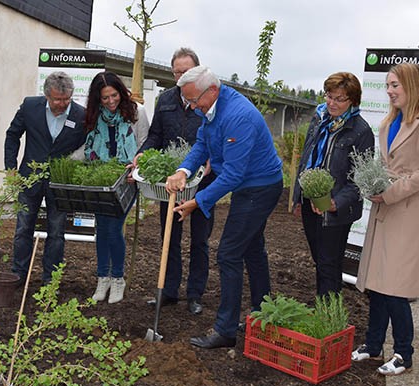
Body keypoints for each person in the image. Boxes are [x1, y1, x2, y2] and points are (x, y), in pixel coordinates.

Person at [165, 65, 283, 349]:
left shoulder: (238, 117)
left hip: (259, 187)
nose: (192, 108)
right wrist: (183, 170)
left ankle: (226, 330)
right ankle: (263, 314)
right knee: (253, 250)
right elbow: (202, 145)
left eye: (194, 101)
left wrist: (198, 202)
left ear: (213, 90)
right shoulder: (211, 109)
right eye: (188, 101)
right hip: (249, 185)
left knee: (229, 253)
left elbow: (232, 175)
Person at [352, 63, 419, 375]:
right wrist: (371, 185)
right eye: (388, 86)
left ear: (412, 86)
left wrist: (389, 192)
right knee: (378, 283)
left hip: (407, 211)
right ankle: (374, 344)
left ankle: (404, 354)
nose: (390, 91)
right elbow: (382, 165)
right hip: (384, 210)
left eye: (395, 86)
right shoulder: (387, 123)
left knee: (394, 285)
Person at [132, 48, 216, 315]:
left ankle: (194, 294)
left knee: (200, 239)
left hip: (202, 182)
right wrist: (143, 152)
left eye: (186, 71)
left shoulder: (206, 100)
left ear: (197, 72)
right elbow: (156, 134)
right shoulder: (166, 99)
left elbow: (216, 136)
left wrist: (213, 158)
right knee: (169, 235)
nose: (180, 76)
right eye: (177, 72)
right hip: (172, 181)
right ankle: (168, 291)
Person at [292, 72, 374, 295]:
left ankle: (327, 315)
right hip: (311, 203)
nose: (332, 103)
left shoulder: (361, 131)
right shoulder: (319, 118)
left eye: (340, 99)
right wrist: (298, 197)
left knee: (329, 263)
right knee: (320, 260)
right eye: (329, 96)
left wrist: (335, 203)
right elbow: (307, 158)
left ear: (352, 101)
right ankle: (326, 310)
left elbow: (360, 178)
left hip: (337, 210)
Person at [5, 71, 87, 285]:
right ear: (46, 96)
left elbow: (87, 146)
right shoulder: (30, 106)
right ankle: (18, 275)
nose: (62, 104)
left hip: (60, 182)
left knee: (57, 232)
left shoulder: (81, 115)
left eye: (66, 99)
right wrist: (11, 168)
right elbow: (13, 135)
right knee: (23, 229)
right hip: (29, 178)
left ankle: (50, 281)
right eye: (57, 100)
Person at [85, 71, 149, 304]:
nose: (111, 101)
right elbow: (86, 146)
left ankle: (118, 278)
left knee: (114, 228)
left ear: (121, 93)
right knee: (102, 228)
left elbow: (144, 145)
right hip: (100, 178)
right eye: (104, 98)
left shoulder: (136, 112)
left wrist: (138, 168)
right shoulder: (94, 116)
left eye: (114, 95)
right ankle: (103, 279)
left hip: (126, 180)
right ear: (97, 99)